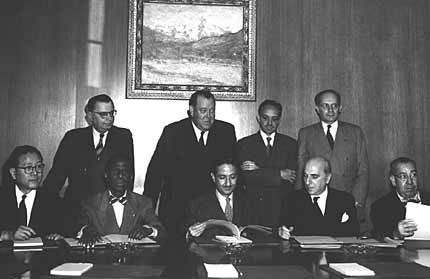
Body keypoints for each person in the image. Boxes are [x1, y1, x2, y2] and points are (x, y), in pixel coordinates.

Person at [144, 89, 236, 239]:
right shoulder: (173, 133)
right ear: (191, 111)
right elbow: (155, 175)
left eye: (212, 111)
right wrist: (146, 214)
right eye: (203, 111)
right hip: (177, 212)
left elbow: (234, 171)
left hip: (211, 213)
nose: (209, 116)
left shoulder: (225, 131)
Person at [44, 94, 134, 230]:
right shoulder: (73, 138)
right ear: (90, 115)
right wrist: (45, 206)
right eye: (103, 114)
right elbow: (57, 176)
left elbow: (128, 176)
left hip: (108, 211)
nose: (109, 118)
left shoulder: (123, 137)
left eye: (112, 113)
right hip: (76, 209)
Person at [296, 89, 368, 223]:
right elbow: (301, 171)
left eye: (334, 106)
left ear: (340, 108)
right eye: (325, 106)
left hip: (348, 201)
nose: (330, 110)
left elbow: (363, 171)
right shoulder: (306, 134)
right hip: (316, 204)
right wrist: (300, 204)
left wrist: (357, 203)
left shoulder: (355, 132)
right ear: (317, 109)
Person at [77, 154, 166, 247]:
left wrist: (148, 230)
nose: (120, 175)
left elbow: (162, 232)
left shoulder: (143, 202)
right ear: (106, 175)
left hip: (134, 260)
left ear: (131, 176)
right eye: (115, 170)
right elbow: (79, 225)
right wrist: (85, 230)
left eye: (125, 171)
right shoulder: (91, 202)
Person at [237, 99, 297, 227]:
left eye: (274, 119)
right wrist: (279, 173)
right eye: (265, 118)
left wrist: (259, 169)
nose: (269, 123)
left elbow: (291, 177)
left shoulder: (290, 144)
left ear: (279, 120)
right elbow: (247, 178)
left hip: (281, 209)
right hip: (253, 210)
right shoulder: (244, 144)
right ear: (258, 118)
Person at [279, 157, 359, 239]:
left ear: (327, 178)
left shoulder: (345, 200)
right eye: (305, 176)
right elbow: (283, 227)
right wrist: (282, 231)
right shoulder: (292, 200)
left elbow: (353, 233)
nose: (307, 182)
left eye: (314, 177)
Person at [0, 145, 63, 240]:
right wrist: (7, 235)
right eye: (28, 168)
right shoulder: (3, 196)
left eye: (39, 166)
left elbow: (68, 229)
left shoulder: (53, 200)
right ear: (13, 173)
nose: (35, 173)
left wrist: (57, 236)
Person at [186, 158, 254, 239]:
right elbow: (188, 240)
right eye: (222, 177)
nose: (228, 183)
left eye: (232, 177)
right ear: (213, 177)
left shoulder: (248, 202)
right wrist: (193, 231)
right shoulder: (197, 204)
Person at [370, 157, 430, 239]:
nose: (410, 182)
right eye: (403, 176)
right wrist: (396, 233)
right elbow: (380, 234)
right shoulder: (380, 207)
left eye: (413, 175)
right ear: (393, 180)